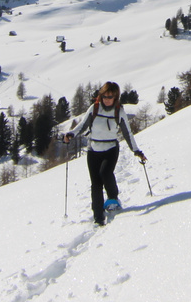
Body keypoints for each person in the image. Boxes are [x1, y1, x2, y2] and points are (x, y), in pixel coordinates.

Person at [62, 81, 145, 225]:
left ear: (115, 97)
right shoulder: (94, 108)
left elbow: (127, 133)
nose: (107, 99)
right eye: (105, 96)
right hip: (93, 149)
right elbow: (83, 125)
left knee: (105, 173)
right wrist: (71, 134)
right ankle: (98, 214)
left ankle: (113, 199)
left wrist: (136, 151)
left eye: (110, 96)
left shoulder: (119, 111)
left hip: (111, 149)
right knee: (96, 183)